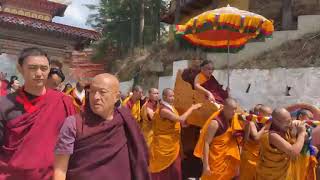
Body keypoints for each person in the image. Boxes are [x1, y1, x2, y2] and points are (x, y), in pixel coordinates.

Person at [53, 73, 150, 180]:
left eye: (102, 92)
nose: (96, 97)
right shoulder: (74, 123)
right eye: (92, 92)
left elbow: (139, 159)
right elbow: (60, 170)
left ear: (116, 97)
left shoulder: (125, 121)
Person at [0, 47, 76, 179]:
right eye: (32, 68)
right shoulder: (4, 104)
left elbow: (72, 143)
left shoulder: (63, 102)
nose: (39, 73)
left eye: (44, 68)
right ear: (20, 69)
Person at [149, 88, 202, 180]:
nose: (173, 98)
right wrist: (192, 108)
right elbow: (180, 119)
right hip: (163, 146)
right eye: (170, 96)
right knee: (162, 171)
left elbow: (177, 122)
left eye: (173, 96)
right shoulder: (163, 110)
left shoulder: (172, 108)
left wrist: (185, 124)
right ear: (164, 97)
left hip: (173, 145)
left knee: (175, 170)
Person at [256, 108, 317, 180]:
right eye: (287, 122)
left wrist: (300, 127)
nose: (290, 123)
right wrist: (301, 133)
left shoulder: (285, 129)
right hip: (271, 175)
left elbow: (304, 137)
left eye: (290, 120)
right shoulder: (272, 135)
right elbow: (293, 152)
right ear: (276, 122)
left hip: (285, 174)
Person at [194, 98, 243, 180]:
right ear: (224, 108)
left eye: (235, 109)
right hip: (214, 161)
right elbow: (206, 143)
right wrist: (206, 165)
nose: (234, 112)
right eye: (231, 110)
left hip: (224, 160)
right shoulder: (215, 123)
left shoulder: (232, 120)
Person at [240, 105, 272, 180]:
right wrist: (265, 127)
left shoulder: (268, 124)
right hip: (250, 156)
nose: (270, 117)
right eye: (268, 115)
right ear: (260, 114)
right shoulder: (252, 123)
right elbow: (256, 138)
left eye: (271, 115)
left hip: (260, 157)